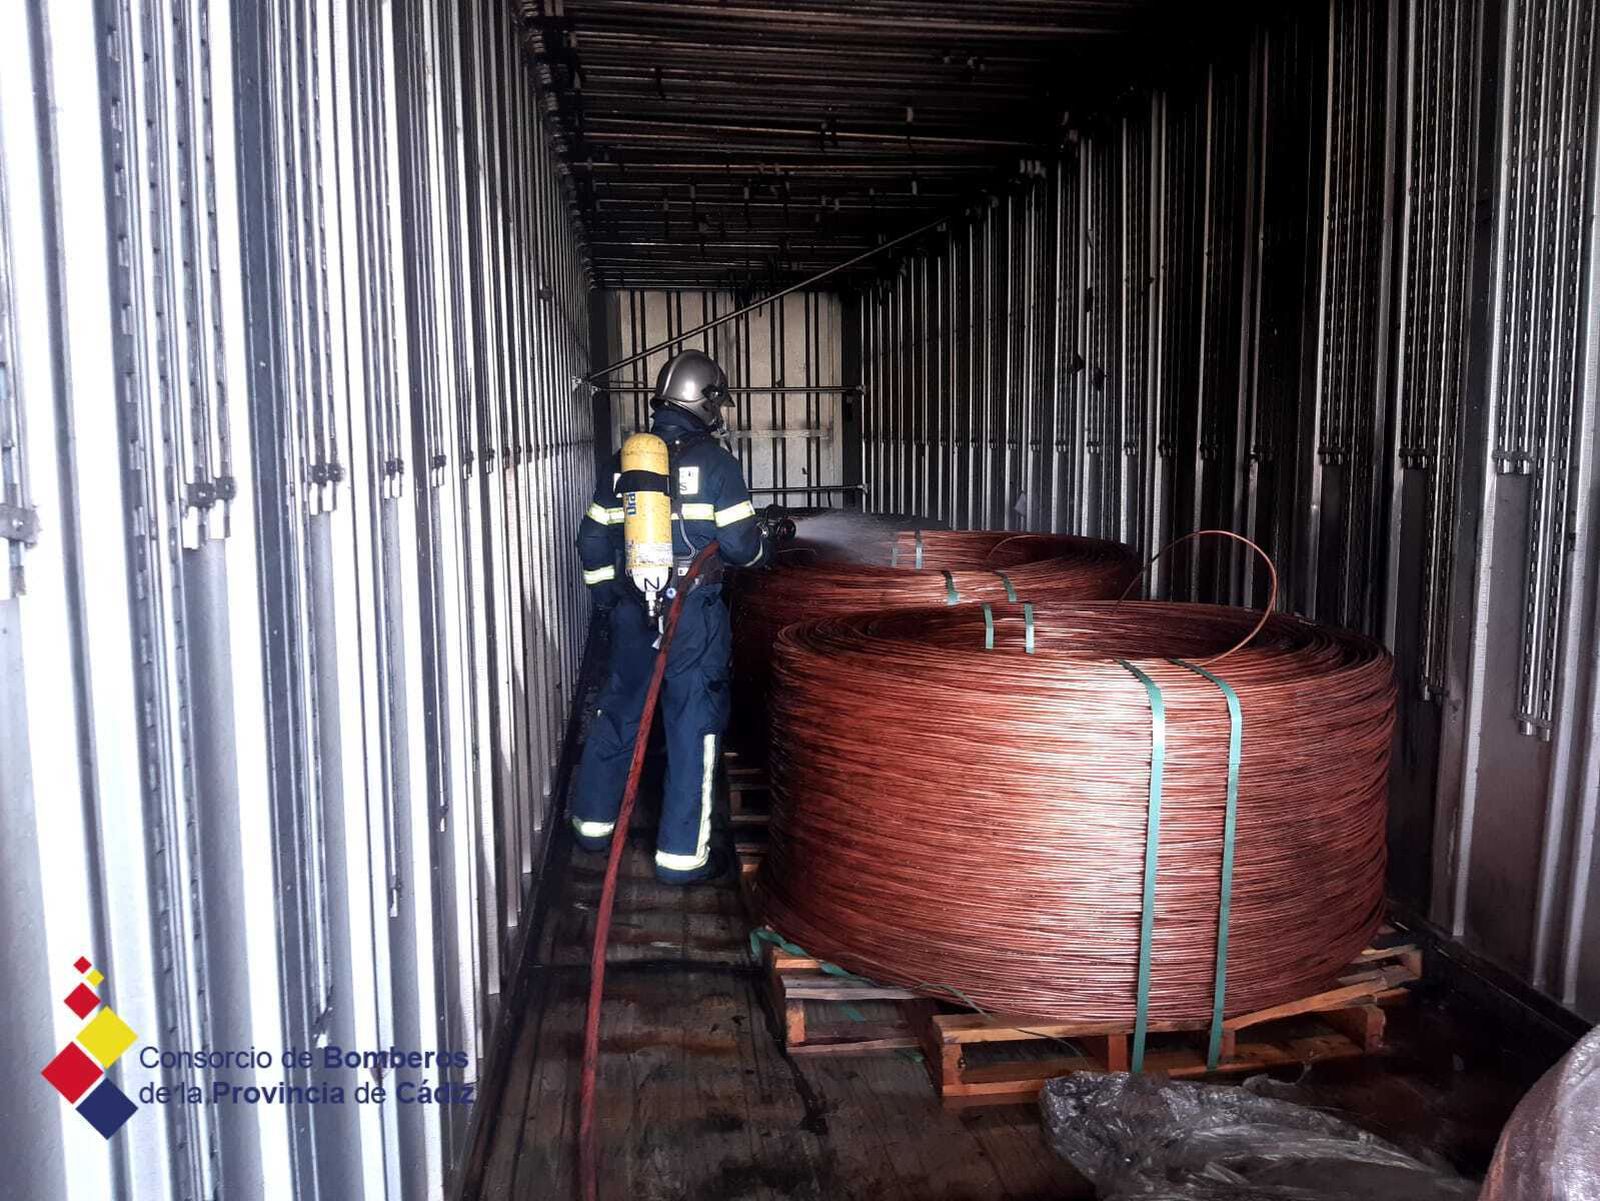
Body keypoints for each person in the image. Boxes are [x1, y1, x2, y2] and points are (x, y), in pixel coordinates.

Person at [570, 349, 767, 883]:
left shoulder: (623, 465)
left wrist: (610, 599)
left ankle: (591, 829)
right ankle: (681, 859)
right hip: (693, 615)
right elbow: (745, 547)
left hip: (635, 608)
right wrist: (761, 546)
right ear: (704, 403)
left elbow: (591, 539)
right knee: (691, 725)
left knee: (620, 715)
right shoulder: (718, 465)